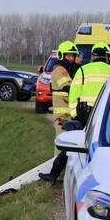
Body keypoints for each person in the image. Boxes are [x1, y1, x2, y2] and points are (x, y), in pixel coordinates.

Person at [38, 41, 81, 183]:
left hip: (68, 114)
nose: (71, 58)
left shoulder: (66, 70)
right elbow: (69, 89)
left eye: (72, 55)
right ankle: (57, 175)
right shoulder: (60, 71)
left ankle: (59, 174)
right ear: (62, 56)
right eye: (69, 55)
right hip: (63, 115)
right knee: (61, 143)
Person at [68, 42, 110, 122]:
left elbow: (73, 95)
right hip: (108, 113)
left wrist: (75, 116)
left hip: (86, 114)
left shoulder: (82, 70)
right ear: (106, 57)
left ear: (92, 57)